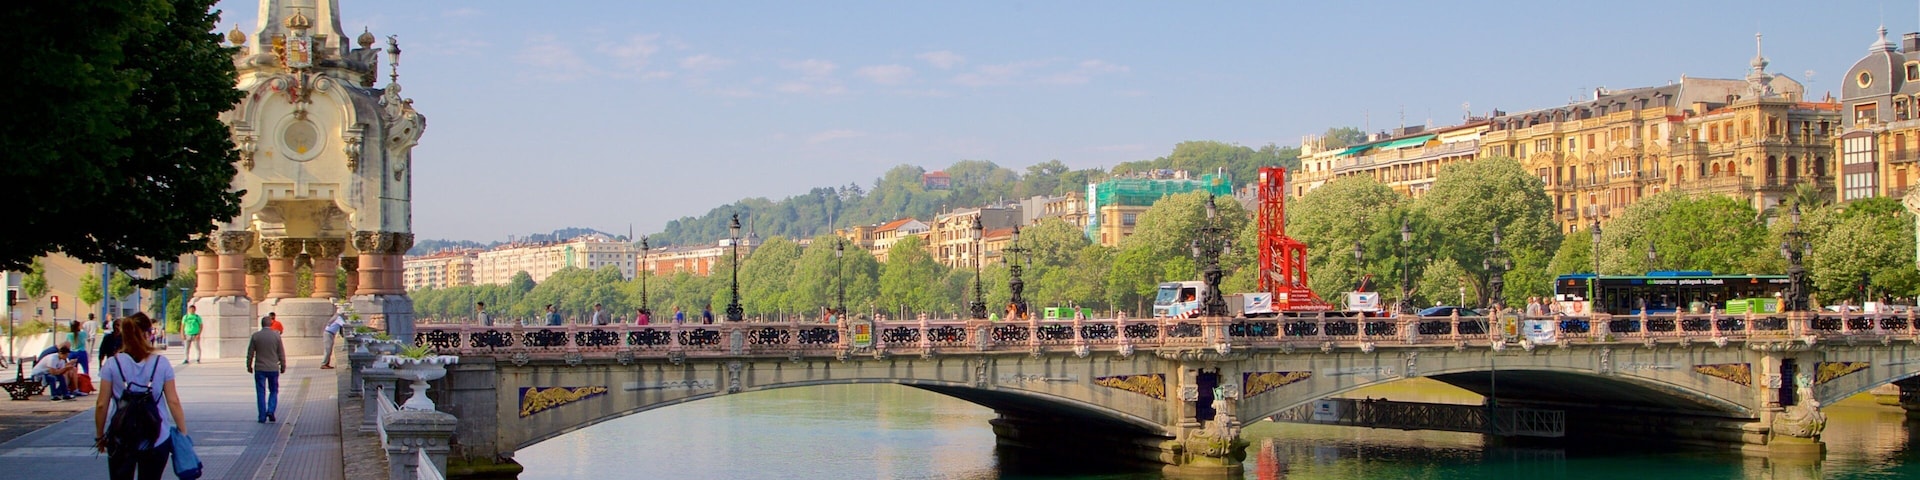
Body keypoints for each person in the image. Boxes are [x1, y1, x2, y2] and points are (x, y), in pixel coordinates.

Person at [94, 313, 185, 480]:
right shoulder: (161, 363)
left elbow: (101, 404)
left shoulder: (112, 364)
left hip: (121, 436)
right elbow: (173, 401)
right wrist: (182, 431)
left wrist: (100, 435)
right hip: (157, 435)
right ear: (148, 334)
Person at [245, 316, 286, 423]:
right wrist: (283, 365)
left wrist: (249, 365)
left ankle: (262, 416)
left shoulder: (256, 336)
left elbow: (250, 353)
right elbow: (281, 352)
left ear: (261, 324)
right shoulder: (276, 336)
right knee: (273, 390)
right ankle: (271, 410)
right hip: (273, 368)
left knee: (260, 392)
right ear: (270, 324)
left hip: (260, 368)